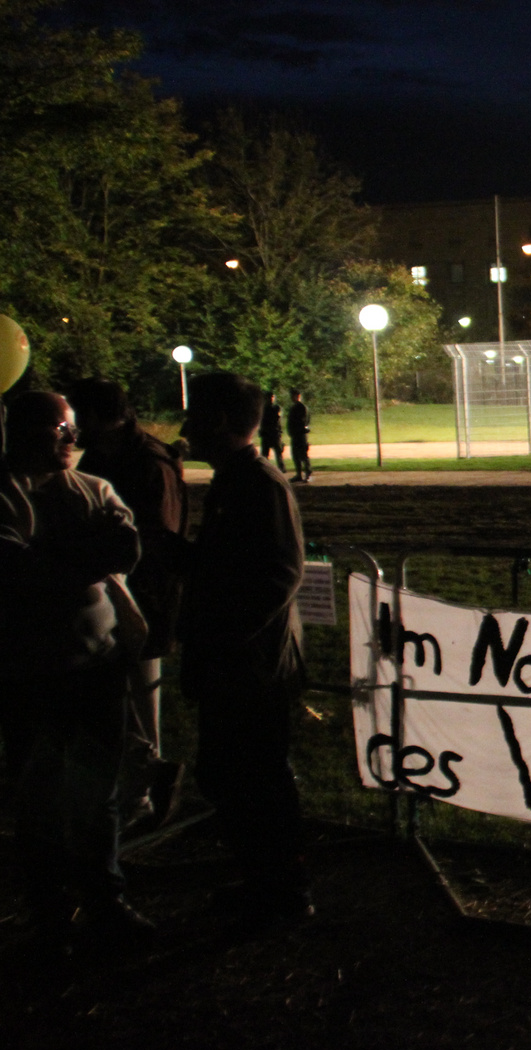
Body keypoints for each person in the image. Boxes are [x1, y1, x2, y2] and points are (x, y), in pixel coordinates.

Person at [0, 391, 151, 950]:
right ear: (26, 432)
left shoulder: (94, 489)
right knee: (38, 793)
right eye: (60, 429)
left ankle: (105, 898)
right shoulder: (8, 495)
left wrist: (51, 556)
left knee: (99, 791)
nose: (72, 439)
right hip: (29, 672)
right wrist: (79, 558)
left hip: (98, 667)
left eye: (73, 428)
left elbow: (125, 546)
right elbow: (14, 572)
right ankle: (50, 910)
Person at [178, 372, 311, 928]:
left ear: (219, 422)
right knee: (233, 775)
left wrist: (228, 638)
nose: (183, 428)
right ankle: (265, 885)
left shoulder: (257, 483)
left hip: (250, 667)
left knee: (255, 778)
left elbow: (280, 572)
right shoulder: (236, 481)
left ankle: (279, 895)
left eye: (193, 416)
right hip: (239, 661)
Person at [66, 378, 187, 829]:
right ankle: (137, 781)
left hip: (145, 597)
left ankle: (142, 793)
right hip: (117, 594)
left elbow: (159, 537)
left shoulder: (148, 463)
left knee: (141, 695)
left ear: (94, 417)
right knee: (123, 699)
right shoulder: (107, 456)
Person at [287, 390, 312, 483]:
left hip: (300, 434)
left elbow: (304, 421)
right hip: (295, 434)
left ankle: (307, 473)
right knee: (296, 455)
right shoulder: (294, 407)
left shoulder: (301, 407)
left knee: (303, 455)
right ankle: (299, 474)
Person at [259, 391, 285, 472]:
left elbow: (276, 419)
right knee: (266, 454)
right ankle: (265, 469)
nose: (271, 399)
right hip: (269, 433)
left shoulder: (275, 408)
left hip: (273, 432)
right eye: (270, 397)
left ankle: (281, 468)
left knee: (278, 453)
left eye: (272, 397)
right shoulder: (265, 408)